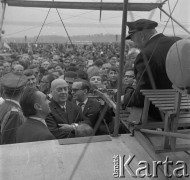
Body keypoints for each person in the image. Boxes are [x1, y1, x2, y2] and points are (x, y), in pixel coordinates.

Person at [124, 19, 181, 120]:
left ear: (141, 36)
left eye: (133, 39)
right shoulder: (178, 42)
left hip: (160, 114)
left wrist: (125, 98)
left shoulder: (145, 55)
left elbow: (142, 96)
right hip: (183, 109)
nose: (134, 44)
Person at [0, 73, 27, 144]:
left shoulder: (3, 104)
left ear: (4, 91)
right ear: (23, 90)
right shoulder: (14, 112)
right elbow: (10, 142)